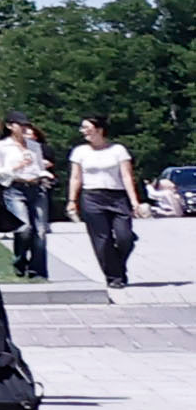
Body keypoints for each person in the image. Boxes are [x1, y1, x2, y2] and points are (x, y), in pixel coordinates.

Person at [0, 106, 54, 283]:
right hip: (15, 188)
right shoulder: (1, 147)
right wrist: (15, 167)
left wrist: (44, 174)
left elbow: (39, 168)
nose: (25, 129)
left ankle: (38, 270)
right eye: (20, 125)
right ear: (10, 126)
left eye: (26, 125)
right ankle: (20, 261)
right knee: (24, 229)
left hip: (36, 188)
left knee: (40, 232)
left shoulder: (34, 146)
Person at [74, 117, 142, 287]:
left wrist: (134, 201)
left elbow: (127, 176)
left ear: (99, 129)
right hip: (92, 197)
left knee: (124, 237)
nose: (83, 131)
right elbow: (76, 178)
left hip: (117, 196)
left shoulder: (118, 150)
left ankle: (117, 265)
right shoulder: (80, 151)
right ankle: (114, 277)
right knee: (102, 240)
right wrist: (71, 200)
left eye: (86, 127)